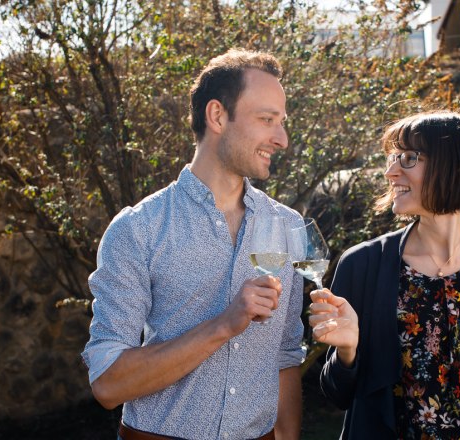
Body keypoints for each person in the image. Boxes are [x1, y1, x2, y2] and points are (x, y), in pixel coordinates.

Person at [82, 48, 305, 440]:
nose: (282, 139)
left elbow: (285, 356)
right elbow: (107, 384)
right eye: (267, 120)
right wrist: (223, 324)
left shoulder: (287, 226)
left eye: (283, 122)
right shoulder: (139, 229)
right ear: (217, 115)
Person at [309, 111, 460, 439]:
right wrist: (347, 352)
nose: (390, 172)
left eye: (407, 158)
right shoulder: (362, 265)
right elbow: (337, 393)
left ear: (450, 165)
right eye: (392, 158)